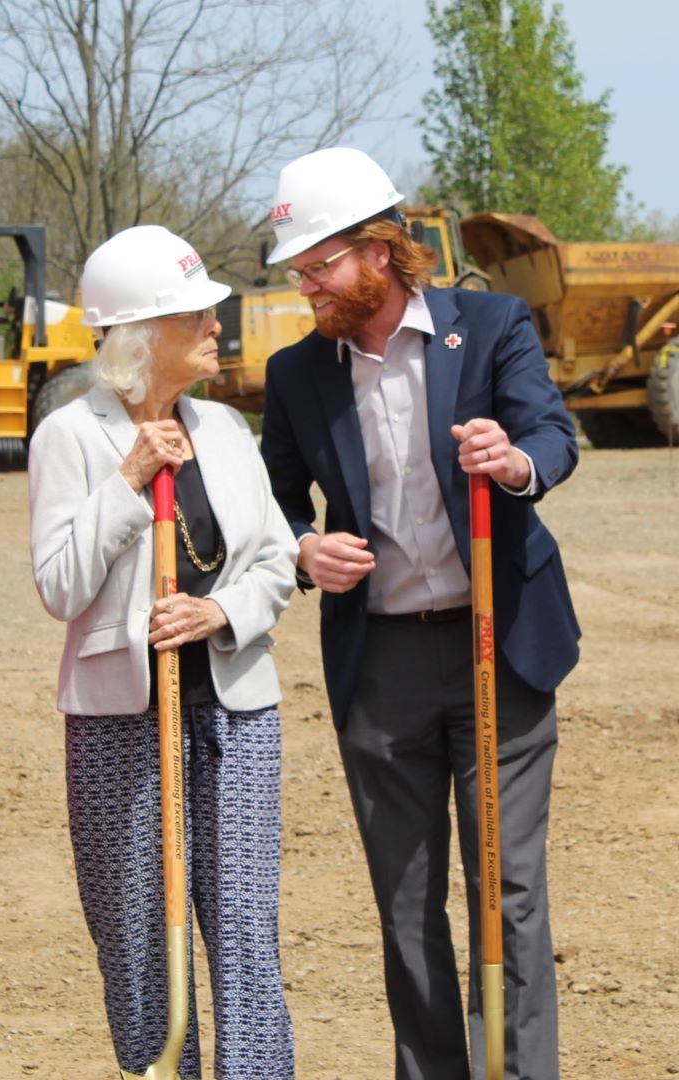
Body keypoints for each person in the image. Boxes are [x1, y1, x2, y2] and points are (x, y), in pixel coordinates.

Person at [259, 147, 580, 1080]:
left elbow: (552, 436)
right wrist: (303, 550)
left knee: (507, 890)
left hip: (499, 648)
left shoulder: (488, 327)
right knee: (404, 900)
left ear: (383, 251)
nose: (308, 285)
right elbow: (271, 506)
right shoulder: (296, 375)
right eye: (300, 270)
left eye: (321, 265)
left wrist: (513, 461)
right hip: (382, 668)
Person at [28, 225, 299, 1080]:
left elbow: (277, 560)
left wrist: (218, 612)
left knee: (246, 933)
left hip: (237, 715)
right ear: (143, 334)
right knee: (141, 937)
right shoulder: (68, 438)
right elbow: (61, 588)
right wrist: (128, 483)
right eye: (199, 314)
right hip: (120, 722)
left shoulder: (224, 427)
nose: (219, 324)